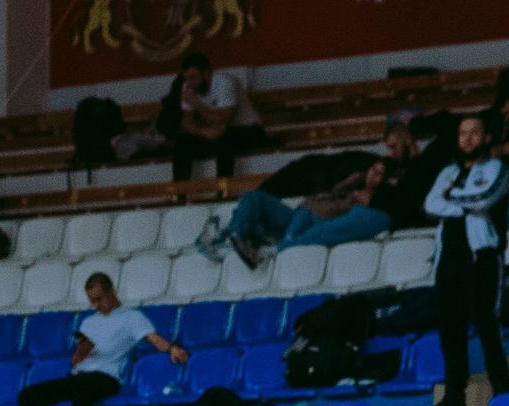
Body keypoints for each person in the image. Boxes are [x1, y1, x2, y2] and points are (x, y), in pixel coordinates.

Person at [426, 114, 509, 406]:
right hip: (448, 259)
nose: (468, 139)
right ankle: (454, 397)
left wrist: (452, 195)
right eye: (463, 133)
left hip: (482, 258)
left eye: (475, 132)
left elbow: (485, 198)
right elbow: (430, 203)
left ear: (487, 137)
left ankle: (502, 389)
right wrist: (460, 200)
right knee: (450, 332)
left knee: (487, 325)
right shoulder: (448, 170)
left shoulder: (496, 168)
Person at [20, 273, 187, 406]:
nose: (96, 305)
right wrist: (79, 354)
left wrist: (172, 348)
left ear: (112, 291)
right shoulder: (88, 322)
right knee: (28, 395)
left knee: (82, 391)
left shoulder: (132, 317)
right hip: (79, 377)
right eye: (92, 300)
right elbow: (75, 363)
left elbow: (154, 339)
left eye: (99, 299)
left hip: (107, 378)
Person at [207, 160, 394, 267]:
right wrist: (348, 184)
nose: (372, 175)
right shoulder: (353, 183)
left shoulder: (370, 203)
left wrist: (352, 200)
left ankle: (259, 247)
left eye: (379, 173)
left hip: (314, 221)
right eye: (372, 169)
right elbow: (327, 196)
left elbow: (335, 224)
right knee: (253, 197)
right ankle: (236, 236)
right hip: (301, 210)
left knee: (292, 231)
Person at [157, 51, 268, 181]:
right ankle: (180, 193)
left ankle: (223, 191)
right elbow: (187, 122)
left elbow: (224, 119)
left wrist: (197, 105)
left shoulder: (225, 83)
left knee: (226, 139)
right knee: (183, 142)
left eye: (193, 77)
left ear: (206, 73)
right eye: (186, 78)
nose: (190, 82)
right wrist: (202, 132)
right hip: (211, 131)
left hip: (246, 130)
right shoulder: (187, 86)